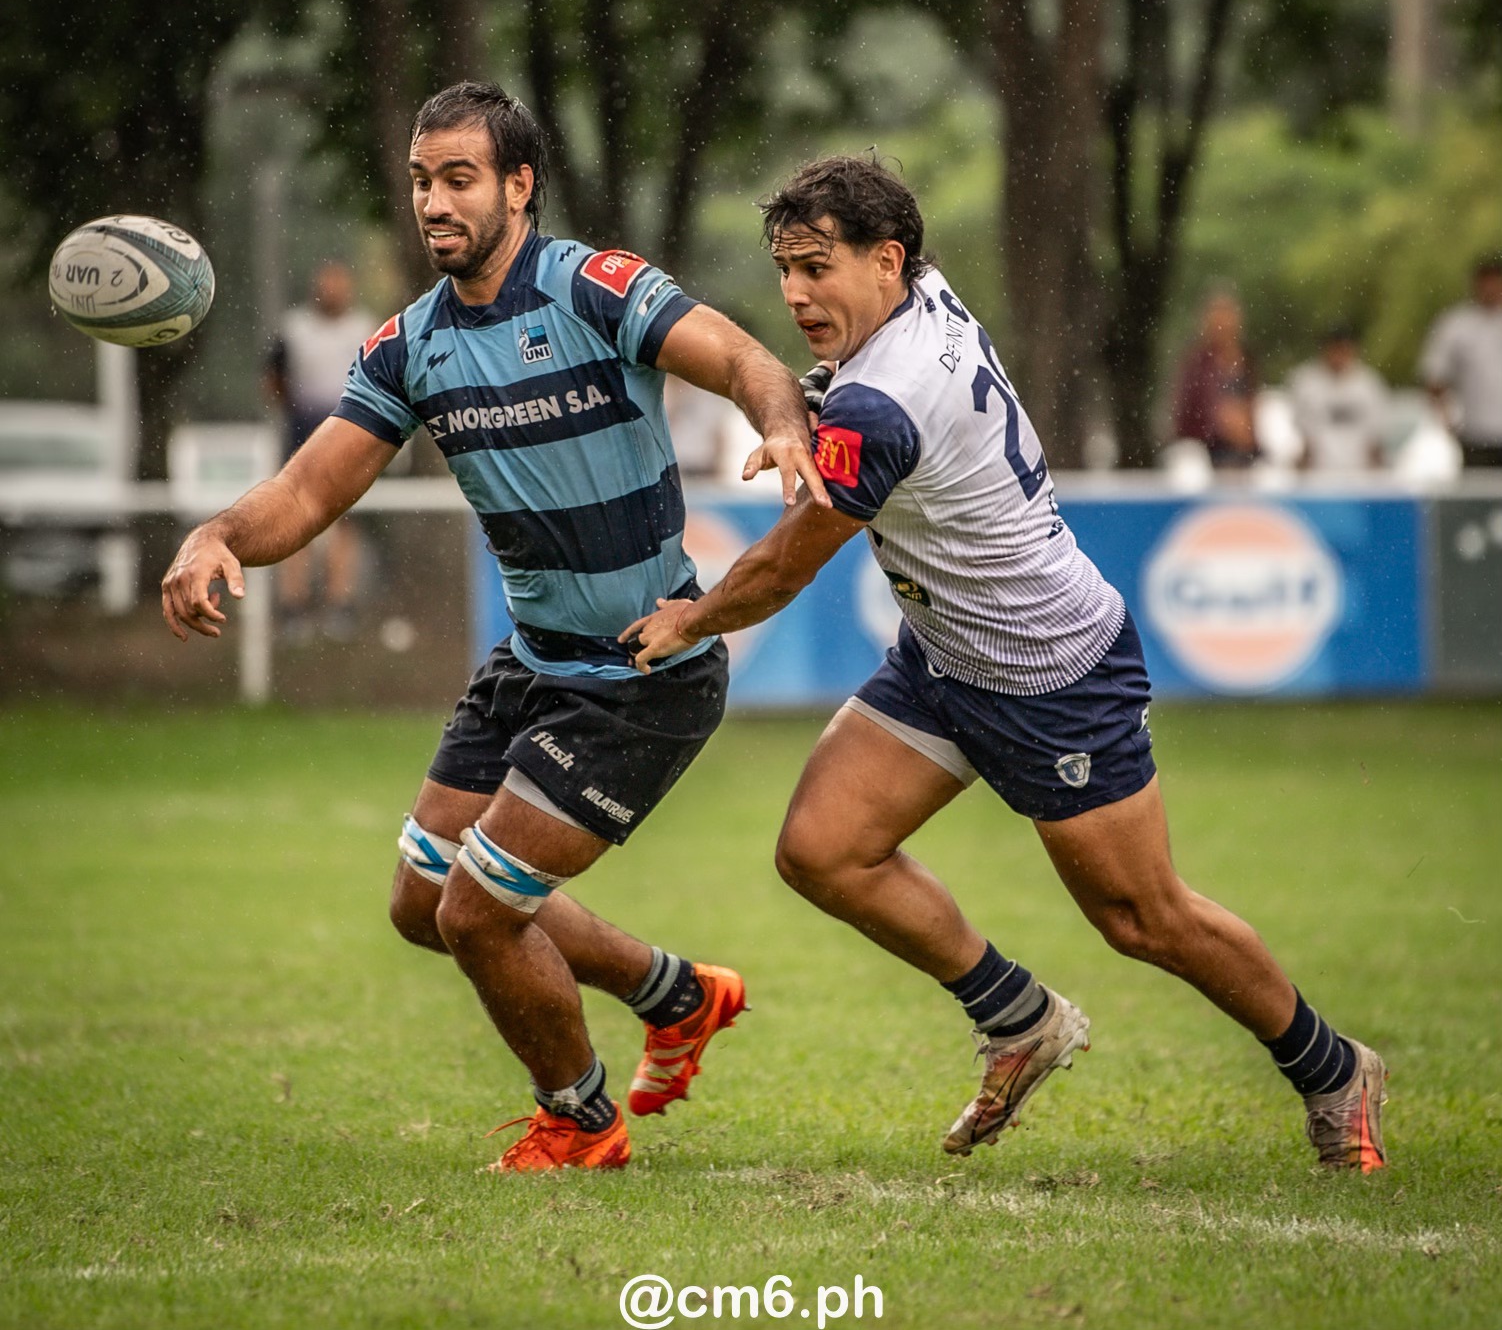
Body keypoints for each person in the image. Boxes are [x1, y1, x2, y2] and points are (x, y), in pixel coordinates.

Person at [623, 155, 1388, 1173]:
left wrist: (687, 620)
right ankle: (1018, 1018)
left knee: (1141, 916)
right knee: (821, 846)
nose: (796, 292)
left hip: (1049, 671)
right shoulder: (920, 298)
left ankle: (1333, 1068)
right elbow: (844, 409)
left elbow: (780, 568)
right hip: (945, 654)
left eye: (816, 266)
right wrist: (804, 414)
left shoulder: (882, 402)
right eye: (783, 269)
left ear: (885, 258)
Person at [162, 81, 829, 1173]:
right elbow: (307, 491)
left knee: (477, 913)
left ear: (519, 186)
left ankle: (580, 1117)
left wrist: (784, 421)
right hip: (528, 662)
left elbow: (745, 359)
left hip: (643, 669)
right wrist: (217, 533)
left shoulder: (595, 288)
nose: (434, 201)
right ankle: (677, 994)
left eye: (459, 178)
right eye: (422, 180)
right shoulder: (408, 346)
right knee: (421, 903)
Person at [264, 261, 378, 640]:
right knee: (293, 517)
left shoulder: (365, 327)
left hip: (351, 428)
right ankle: (293, 605)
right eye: (326, 284)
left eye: (339, 284)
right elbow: (273, 377)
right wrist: (297, 412)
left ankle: (339, 603)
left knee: (347, 520)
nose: (332, 291)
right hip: (302, 428)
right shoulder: (295, 329)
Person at [1419, 257, 1502, 468]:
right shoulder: (1456, 325)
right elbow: (1434, 377)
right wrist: (1447, 421)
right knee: (1478, 496)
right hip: (1476, 434)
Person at [1172, 287, 1260, 468]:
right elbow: (1185, 414)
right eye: (1218, 317)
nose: (1224, 324)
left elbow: (1254, 407)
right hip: (1207, 450)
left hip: (1246, 451)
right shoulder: (1196, 363)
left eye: (1228, 316)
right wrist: (1221, 422)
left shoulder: (1247, 359)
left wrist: (1246, 430)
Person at [1288, 325, 1389, 472]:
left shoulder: (1369, 385)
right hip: (1318, 474)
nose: (1339, 356)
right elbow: (1304, 441)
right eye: (1335, 349)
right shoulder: (1306, 383)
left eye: (1344, 350)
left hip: (1360, 474)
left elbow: (1375, 441)